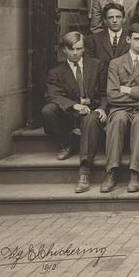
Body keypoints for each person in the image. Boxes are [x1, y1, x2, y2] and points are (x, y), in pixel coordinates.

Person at [42, 32, 108, 193]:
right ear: (63, 50)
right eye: (71, 49)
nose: (75, 53)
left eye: (79, 48)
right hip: (70, 114)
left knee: (91, 120)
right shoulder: (56, 72)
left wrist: (103, 108)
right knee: (48, 110)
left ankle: (84, 171)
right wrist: (73, 105)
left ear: (84, 48)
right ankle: (67, 143)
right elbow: (53, 95)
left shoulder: (97, 65)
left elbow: (107, 92)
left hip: (93, 110)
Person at [101, 24, 139, 193]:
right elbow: (112, 95)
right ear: (128, 39)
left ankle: (135, 172)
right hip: (124, 108)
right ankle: (111, 171)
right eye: (137, 39)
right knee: (118, 119)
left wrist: (128, 90)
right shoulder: (116, 63)